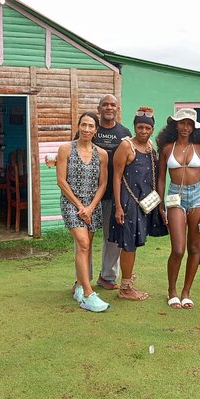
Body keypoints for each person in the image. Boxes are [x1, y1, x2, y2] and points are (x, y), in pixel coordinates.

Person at [156, 108, 200, 309]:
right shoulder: (166, 148)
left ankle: (186, 291)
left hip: (198, 197)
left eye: (189, 124)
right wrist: (160, 205)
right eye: (182, 123)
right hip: (174, 197)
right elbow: (161, 178)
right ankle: (172, 290)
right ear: (175, 124)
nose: (185, 127)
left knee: (195, 247)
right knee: (178, 249)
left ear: (194, 127)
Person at [109, 107, 168, 300]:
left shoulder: (151, 147)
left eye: (147, 128)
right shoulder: (126, 146)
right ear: (134, 127)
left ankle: (127, 278)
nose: (143, 131)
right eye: (139, 127)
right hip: (128, 203)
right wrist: (118, 206)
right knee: (129, 245)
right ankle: (125, 288)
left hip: (144, 204)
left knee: (132, 243)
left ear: (152, 129)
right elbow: (116, 177)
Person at [57, 112, 110, 312]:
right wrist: (80, 207)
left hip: (92, 205)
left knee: (84, 249)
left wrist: (90, 207)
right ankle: (88, 295)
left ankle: (79, 285)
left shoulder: (102, 154)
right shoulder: (65, 149)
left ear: (96, 130)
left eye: (91, 126)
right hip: (72, 204)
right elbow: (61, 181)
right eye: (83, 125)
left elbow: (103, 183)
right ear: (78, 126)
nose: (87, 129)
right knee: (83, 243)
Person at [92, 94, 132, 290]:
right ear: (99, 109)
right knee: (85, 240)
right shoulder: (90, 128)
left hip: (113, 194)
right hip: (88, 195)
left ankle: (107, 276)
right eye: (105, 105)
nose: (109, 107)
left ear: (117, 109)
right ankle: (82, 280)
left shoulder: (124, 133)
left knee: (112, 238)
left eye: (112, 105)